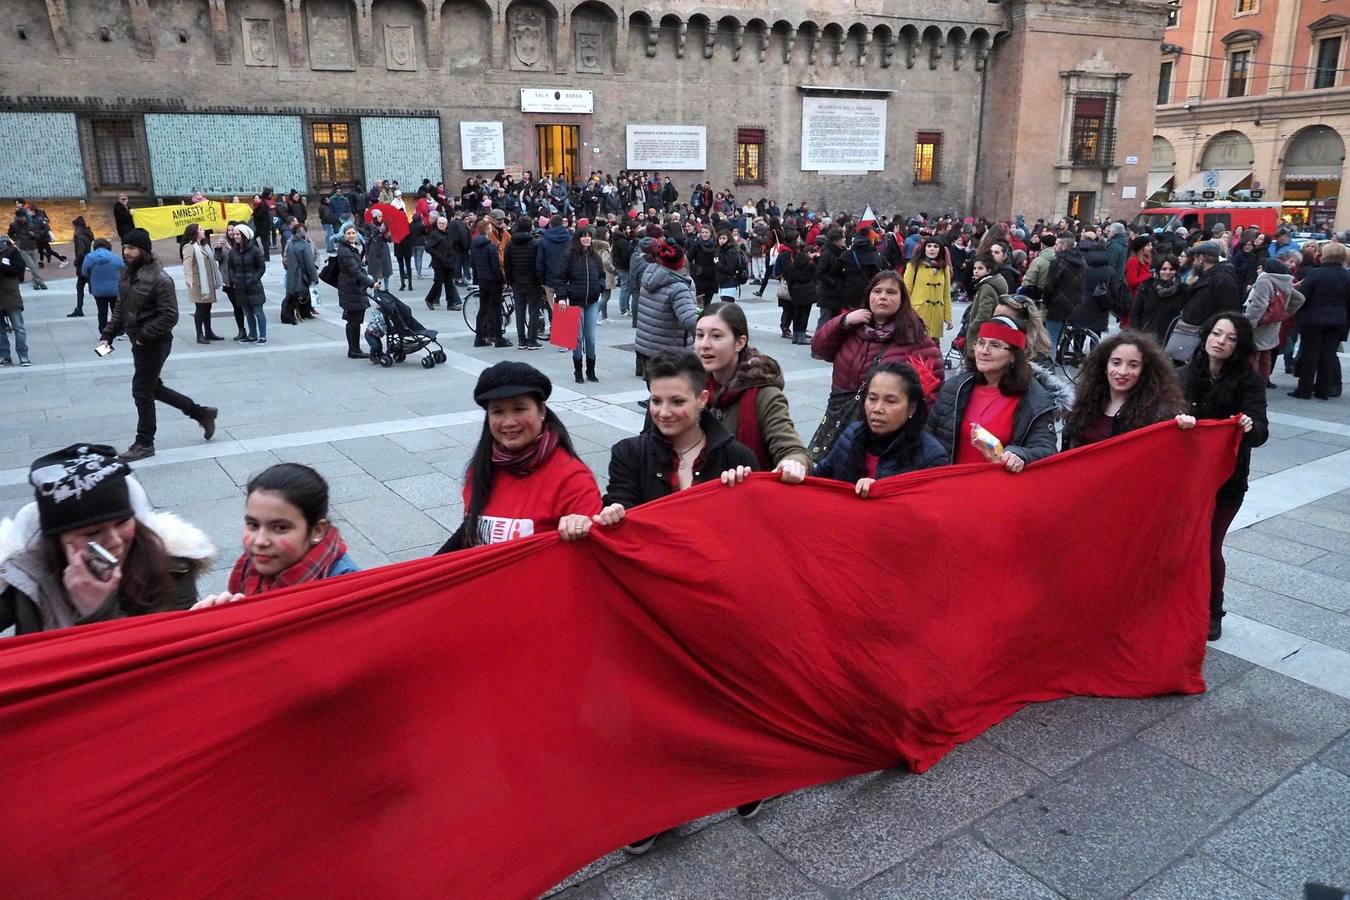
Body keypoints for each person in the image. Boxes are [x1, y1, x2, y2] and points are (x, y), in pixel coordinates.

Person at [0, 444, 215, 635]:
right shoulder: (24, 574)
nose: (115, 541)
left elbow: (163, 663)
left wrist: (99, 610)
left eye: (122, 523)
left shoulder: (172, 569)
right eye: (92, 533)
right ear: (57, 540)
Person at [440, 362, 602, 550]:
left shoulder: (572, 478)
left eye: (519, 409)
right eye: (498, 411)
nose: (509, 422)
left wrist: (581, 524)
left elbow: (591, 551)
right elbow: (468, 532)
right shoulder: (481, 469)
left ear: (542, 411)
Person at [1177, 313, 1268, 640]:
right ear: (1206, 335)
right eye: (1217, 333)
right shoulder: (1184, 375)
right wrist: (1178, 419)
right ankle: (1179, 602)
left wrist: (1247, 426)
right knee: (1181, 543)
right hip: (1187, 479)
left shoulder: (1249, 381)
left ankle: (1213, 608)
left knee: (1209, 543)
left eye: (1230, 338)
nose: (1221, 341)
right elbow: (1162, 418)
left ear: (1238, 345)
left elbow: (1261, 433)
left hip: (1227, 481)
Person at [592, 350, 759, 526]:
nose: (663, 412)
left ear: (702, 399)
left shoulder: (736, 458)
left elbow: (752, 526)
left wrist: (742, 494)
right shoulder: (628, 454)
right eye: (656, 401)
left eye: (677, 402)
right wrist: (612, 513)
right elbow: (621, 510)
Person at [97, 229, 217, 462]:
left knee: (141, 390)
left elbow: (170, 316)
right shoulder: (126, 273)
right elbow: (121, 307)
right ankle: (201, 413)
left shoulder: (160, 278)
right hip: (138, 341)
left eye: (132, 248)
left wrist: (144, 335)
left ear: (143, 250)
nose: (126, 252)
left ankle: (144, 443)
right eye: (125, 247)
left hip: (155, 342)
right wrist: (108, 334)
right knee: (154, 388)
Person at [190, 464, 360, 608]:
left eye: (280, 528)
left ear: (317, 531)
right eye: (253, 525)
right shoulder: (249, 568)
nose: (260, 541)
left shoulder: (346, 589)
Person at [695, 302, 810, 480]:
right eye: (699, 335)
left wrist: (793, 463)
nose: (704, 344)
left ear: (740, 342)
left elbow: (792, 450)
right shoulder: (691, 385)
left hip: (746, 494)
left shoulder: (765, 395)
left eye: (716, 336)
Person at [927, 317, 1058, 471]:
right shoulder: (956, 387)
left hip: (998, 488)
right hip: (950, 485)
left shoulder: (1034, 398)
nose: (984, 351)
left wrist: (1021, 454)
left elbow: (1045, 448)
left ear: (1013, 356)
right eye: (981, 343)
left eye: (995, 345)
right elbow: (929, 435)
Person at [814, 362, 945, 495]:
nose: (877, 409)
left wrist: (880, 491)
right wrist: (799, 465)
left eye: (890, 401)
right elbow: (820, 476)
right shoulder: (852, 434)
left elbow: (930, 508)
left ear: (911, 407)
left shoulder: (931, 457)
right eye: (872, 399)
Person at [1060, 331, 1193, 449]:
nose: (1123, 371)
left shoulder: (1158, 413)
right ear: (1105, 366)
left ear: (1144, 370)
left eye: (1133, 365)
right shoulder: (1084, 401)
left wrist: (1183, 428)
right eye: (1116, 363)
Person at [1288, 241, 1349, 400]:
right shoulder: (1347, 275)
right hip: (1338, 321)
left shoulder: (1316, 273)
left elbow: (1303, 296)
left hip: (1313, 319)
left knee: (1310, 354)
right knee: (1328, 354)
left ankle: (1304, 389)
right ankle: (1323, 390)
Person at [634, 240, 699, 375]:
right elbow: (689, 319)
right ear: (681, 263)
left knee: (655, 388)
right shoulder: (678, 288)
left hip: (648, 346)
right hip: (671, 349)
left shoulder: (650, 275)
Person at [551, 227, 605, 382]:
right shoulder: (569, 255)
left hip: (592, 300)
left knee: (591, 337)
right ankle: (578, 370)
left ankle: (591, 370)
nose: (587, 239)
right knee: (577, 337)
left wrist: (599, 287)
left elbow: (601, 275)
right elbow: (559, 277)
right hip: (575, 300)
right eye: (583, 236)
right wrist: (561, 296)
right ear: (578, 238)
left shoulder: (594, 256)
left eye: (589, 236)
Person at [1244, 257, 1304, 385]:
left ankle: (1251, 385)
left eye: (1261, 267)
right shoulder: (1284, 281)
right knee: (1266, 356)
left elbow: (1258, 306)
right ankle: (1262, 384)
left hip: (1258, 325)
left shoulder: (1264, 280)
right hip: (1273, 325)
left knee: (1253, 356)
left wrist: (1247, 324)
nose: (1258, 269)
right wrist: (1283, 314)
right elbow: (1299, 299)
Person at [335, 222, 375, 359]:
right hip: (350, 288)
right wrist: (371, 283)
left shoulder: (351, 248)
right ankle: (354, 349)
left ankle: (354, 348)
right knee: (353, 320)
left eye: (353, 233)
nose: (352, 235)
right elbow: (355, 272)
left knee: (355, 320)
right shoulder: (345, 250)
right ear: (344, 235)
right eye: (348, 233)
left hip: (353, 287)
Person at [503, 215, 544, 349]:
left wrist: (509, 280)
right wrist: (540, 279)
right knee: (533, 310)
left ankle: (521, 340)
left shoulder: (510, 243)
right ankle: (532, 340)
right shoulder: (535, 243)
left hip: (517, 281)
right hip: (533, 281)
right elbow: (539, 264)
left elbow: (507, 264)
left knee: (520, 311)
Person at [904, 237, 952, 347]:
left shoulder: (944, 268)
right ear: (924, 248)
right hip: (917, 313)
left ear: (940, 250)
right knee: (916, 349)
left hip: (936, 315)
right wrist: (904, 313)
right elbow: (906, 291)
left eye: (935, 246)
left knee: (934, 350)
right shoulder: (913, 265)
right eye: (929, 246)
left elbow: (946, 294)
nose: (932, 249)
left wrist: (948, 317)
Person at [1180, 242, 1241, 328]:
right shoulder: (1207, 277)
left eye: (1194, 259)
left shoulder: (1222, 279)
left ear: (1201, 258)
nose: (1193, 263)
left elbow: (1227, 312)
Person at [470, 219, 511, 348]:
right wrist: (503, 280)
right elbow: (496, 267)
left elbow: (473, 264)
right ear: (487, 230)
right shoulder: (491, 247)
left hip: (482, 280)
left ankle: (479, 337)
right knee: (496, 310)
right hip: (494, 282)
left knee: (483, 310)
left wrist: (477, 278)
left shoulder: (474, 245)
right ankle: (498, 338)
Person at [1129, 254, 1186, 345]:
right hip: (1147, 336)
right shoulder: (1146, 287)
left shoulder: (1183, 290)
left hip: (1171, 338)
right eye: (1164, 269)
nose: (1167, 272)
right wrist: (1135, 335)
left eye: (1171, 269)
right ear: (1158, 270)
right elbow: (1136, 313)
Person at [181, 224, 224, 343]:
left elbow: (212, 260)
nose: (203, 231)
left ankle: (208, 331)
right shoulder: (189, 247)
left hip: (208, 281)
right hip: (198, 282)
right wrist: (188, 278)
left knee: (207, 307)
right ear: (194, 232)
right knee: (200, 308)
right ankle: (199, 334)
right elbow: (187, 264)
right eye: (200, 229)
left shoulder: (205, 245)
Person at [226, 223, 268, 344]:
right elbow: (231, 268)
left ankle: (263, 335)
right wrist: (234, 279)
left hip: (254, 287)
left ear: (244, 235)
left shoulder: (255, 250)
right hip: (240, 287)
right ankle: (252, 334)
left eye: (238, 234)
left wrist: (254, 279)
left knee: (258, 312)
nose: (235, 236)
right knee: (248, 313)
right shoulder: (233, 252)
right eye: (235, 234)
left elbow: (261, 267)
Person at [81, 236, 125, 335]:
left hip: (98, 290)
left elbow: (84, 272)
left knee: (102, 311)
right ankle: (118, 331)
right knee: (116, 311)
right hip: (115, 289)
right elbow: (124, 270)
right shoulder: (116, 257)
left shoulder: (89, 257)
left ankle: (103, 331)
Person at [780, 232, 819, 344]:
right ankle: (801, 336)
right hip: (807, 293)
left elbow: (790, 282)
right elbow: (815, 276)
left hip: (796, 292)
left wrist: (792, 292)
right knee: (804, 315)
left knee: (796, 314)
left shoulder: (792, 268)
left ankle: (795, 336)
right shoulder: (810, 266)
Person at [964, 255, 1008, 348]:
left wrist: (972, 326)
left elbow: (984, 312)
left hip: (980, 331)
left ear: (988, 271)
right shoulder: (984, 284)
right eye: (975, 268)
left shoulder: (985, 287)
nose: (976, 271)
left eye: (980, 268)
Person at [0, 235, 29, 366]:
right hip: (11, 294)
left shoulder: (12, 253)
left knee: (18, 328)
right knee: (17, 328)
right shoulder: (13, 252)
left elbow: (16, 270)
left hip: (11, 295)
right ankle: (9, 356)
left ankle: (20, 355)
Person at [283, 222, 319, 323]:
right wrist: (314, 276)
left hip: (294, 273)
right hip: (302, 274)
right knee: (302, 293)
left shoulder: (293, 244)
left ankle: (304, 312)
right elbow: (309, 263)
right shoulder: (304, 245)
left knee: (297, 293)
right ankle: (300, 313)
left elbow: (316, 255)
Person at [68, 216, 96, 317]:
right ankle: (79, 308)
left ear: (77, 226)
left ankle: (80, 308)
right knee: (81, 286)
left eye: (74, 226)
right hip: (89, 263)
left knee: (88, 287)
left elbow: (81, 250)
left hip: (83, 265)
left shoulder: (79, 236)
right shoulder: (88, 234)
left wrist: (76, 261)